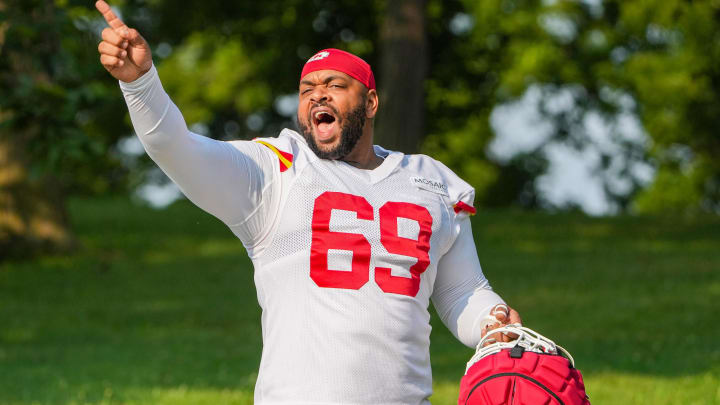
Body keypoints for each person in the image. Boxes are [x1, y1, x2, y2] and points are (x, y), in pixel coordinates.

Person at [95, 1, 522, 403]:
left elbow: (462, 291)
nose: (318, 95)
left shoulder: (431, 182)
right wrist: (141, 82)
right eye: (307, 89)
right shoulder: (276, 169)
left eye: (335, 85)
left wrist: (492, 322)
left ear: (370, 102)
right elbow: (176, 148)